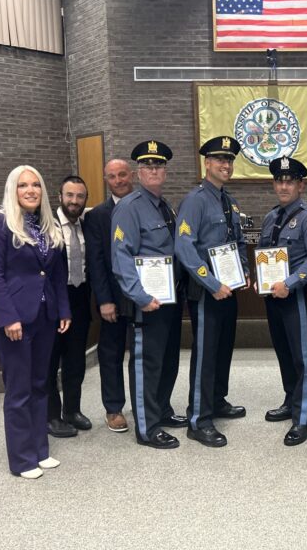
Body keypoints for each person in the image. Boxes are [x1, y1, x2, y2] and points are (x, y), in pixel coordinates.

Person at [0, 165, 71, 478]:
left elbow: (57, 273)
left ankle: (39, 450)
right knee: (18, 391)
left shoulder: (47, 225)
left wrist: (63, 310)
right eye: (23, 185)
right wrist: (8, 317)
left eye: (35, 185)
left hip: (45, 318)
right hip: (14, 320)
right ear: (12, 189)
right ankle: (22, 460)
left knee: (39, 385)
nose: (31, 190)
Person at [111, 140, 187, 449]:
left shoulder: (164, 205)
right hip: (147, 302)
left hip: (169, 299)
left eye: (158, 166)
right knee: (147, 363)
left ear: (165, 171)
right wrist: (139, 295)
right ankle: (147, 427)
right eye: (147, 166)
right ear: (138, 172)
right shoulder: (130, 207)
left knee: (168, 360)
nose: (153, 171)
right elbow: (121, 255)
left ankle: (162, 410)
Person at [175, 136, 249, 448]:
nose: (226, 165)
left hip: (229, 289)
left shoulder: (227, 200)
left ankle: (217, 401)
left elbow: (238, 241)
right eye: (220, 160)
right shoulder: (196, 200)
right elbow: (184, 246)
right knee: (205, 355)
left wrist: (243, 270)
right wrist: (211, 283)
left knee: (222, 350)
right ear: (207, 164)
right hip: (207, 292)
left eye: (230, 160)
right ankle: (198, 419)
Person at [259, 156, 307, 446]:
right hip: (273, 297)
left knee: (303, 357)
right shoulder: (270, 217)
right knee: (284, 352)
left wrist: (289, 283)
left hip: (296, 295)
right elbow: (264, 255)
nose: (283, 186)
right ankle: (291, 400)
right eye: (279, 180)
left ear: (301, 184)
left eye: (290, 181)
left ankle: (304, 417)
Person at [84, 158, 136, 433]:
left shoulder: (148, 207)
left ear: (132, 175)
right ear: (106, 180)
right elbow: (96, 261)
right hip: (113, 299)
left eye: (123, 174)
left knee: (143, 354)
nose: (118, 180)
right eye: (112, 176)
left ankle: (145, 404)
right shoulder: (97, 216)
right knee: (112, 354)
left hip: (144, 297)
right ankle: (114, 408)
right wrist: (104, 299)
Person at [47, 175, 92, 438]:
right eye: (70, 195)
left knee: (76, 360)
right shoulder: (47, 226)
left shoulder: (86, 225)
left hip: (80, 299)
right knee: (50, 362)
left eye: (80, 196)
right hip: (53, 301)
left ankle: (72, 411)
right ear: (60, 196)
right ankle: (52, 415)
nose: (74, 201)